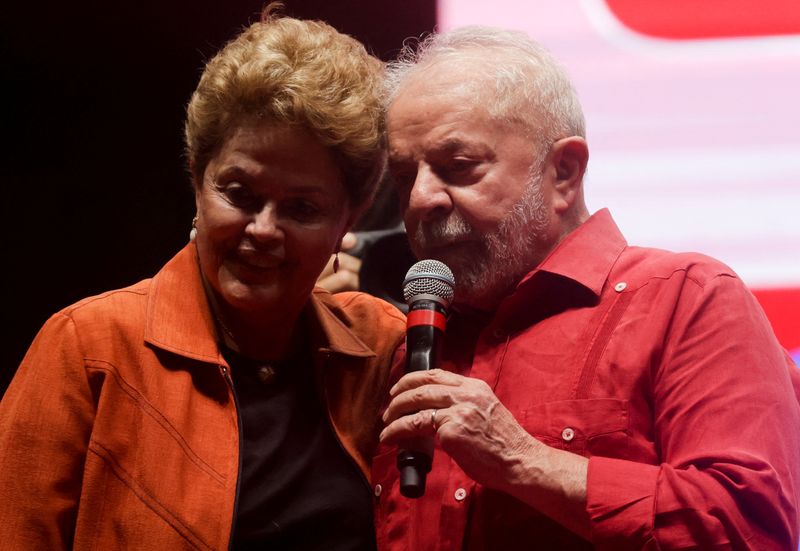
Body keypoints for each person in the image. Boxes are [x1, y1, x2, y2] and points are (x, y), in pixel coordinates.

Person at [372, 26, 800, 550]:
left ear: (565, 172)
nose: (420, 200)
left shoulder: (690, 298)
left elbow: (750, 527)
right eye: (402, 175)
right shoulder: (408, 351)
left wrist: (523, 461)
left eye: (458, 168)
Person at [0, 6, 406, 549]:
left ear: (348, 222)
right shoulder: (89, 348)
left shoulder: (382, 348)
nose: (263, 229)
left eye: (302, 208)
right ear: (197, 180)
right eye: (239, 194)